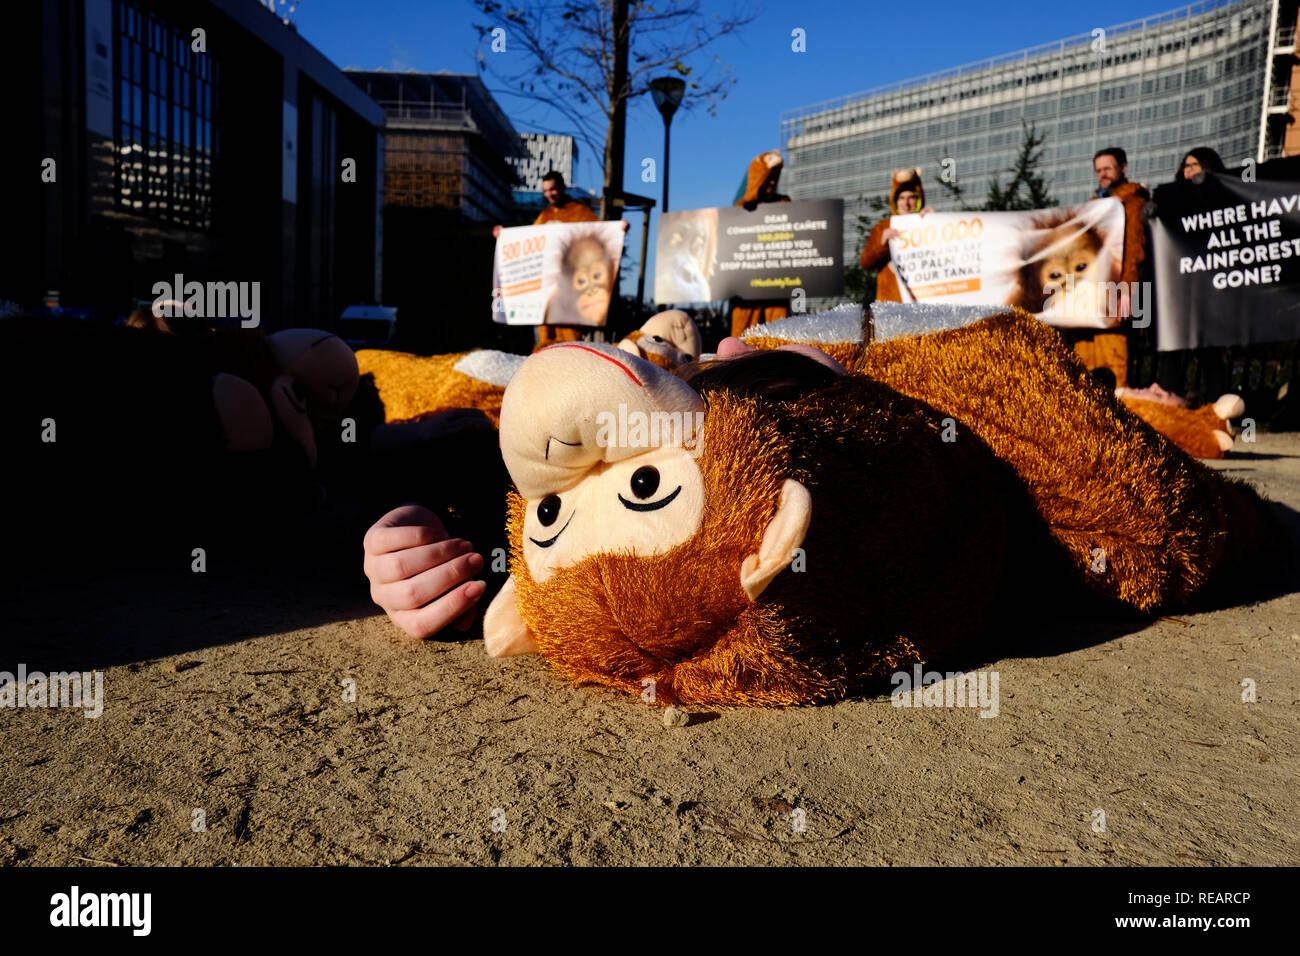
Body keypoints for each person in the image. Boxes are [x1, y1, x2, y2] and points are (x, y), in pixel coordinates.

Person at [1066, 146, 1150, 388]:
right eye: (1098, 170)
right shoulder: (1092, 206)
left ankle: (1116, 417)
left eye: (1108, 169)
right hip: (1091, 295)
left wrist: (1129, 289)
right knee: (1084, 358)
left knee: (1115, 355)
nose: (1102, 174)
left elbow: (1136, 249)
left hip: (1121, 289)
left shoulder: (1135, 202)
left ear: (1123, 168)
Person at [1154, 147, 1230, 401]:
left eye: (1195, 165)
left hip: (1209, 288)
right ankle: (1169, 404)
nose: (1189, 170)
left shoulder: (1224, 196)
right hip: (1178, 288)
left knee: (1209, 349)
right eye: (1186, 165)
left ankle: (1220, 406)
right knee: (1172, 349)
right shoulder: (1170, 201)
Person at [493, 171, 600, 349]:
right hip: (545, 290)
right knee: (545, 340)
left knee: (570, 340)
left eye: (552, 189)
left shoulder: (580, 212)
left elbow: (600, 234)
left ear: (563, 188)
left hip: (570, 288)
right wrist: (503, 236)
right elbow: (528, 241)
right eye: (545, 191)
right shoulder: (545, 215)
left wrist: (619, 229)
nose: (549, 194)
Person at [729, 150, 793, 338]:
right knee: (742, 338)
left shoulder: (785, 203)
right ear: (759, 177)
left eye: (775, 177)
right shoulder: (738, 209)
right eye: (768, 177)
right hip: (746, 291)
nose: (773, 182)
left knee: (780, 337)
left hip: (777, 285)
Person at [858, 168, 935, 303]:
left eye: (911, 198)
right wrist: (882, 243)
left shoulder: (928, 222)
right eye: (901, 198)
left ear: (918, 199)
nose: (906, 203)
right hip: (890, 305)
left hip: (923, 302)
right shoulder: (883, 227)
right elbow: (866, 263)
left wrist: (936, 223)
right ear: (895, 200)